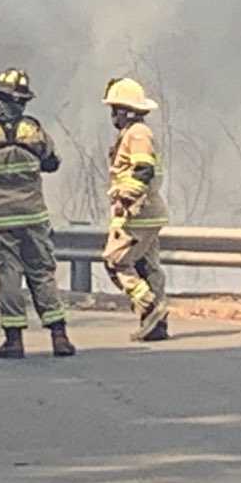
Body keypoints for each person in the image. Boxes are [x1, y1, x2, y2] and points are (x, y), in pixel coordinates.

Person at [0, 67, 75, 360]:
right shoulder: (33, 130)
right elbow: (53, 163)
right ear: (22, 102)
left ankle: (14, 340)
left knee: (9, 277)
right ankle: (59, 337)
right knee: (42, 273)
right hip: (33, 216)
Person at [101, 76, 169, 342]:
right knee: (147, 265)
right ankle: (156, 326)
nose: (113, 115)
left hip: (137, 213)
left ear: (125, 110)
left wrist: (125, 200)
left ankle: (150, 305)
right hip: (149, 212)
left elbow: (143, 170)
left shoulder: (137, 133)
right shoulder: (133, 133)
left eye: (115, 109)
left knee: (115, 261)